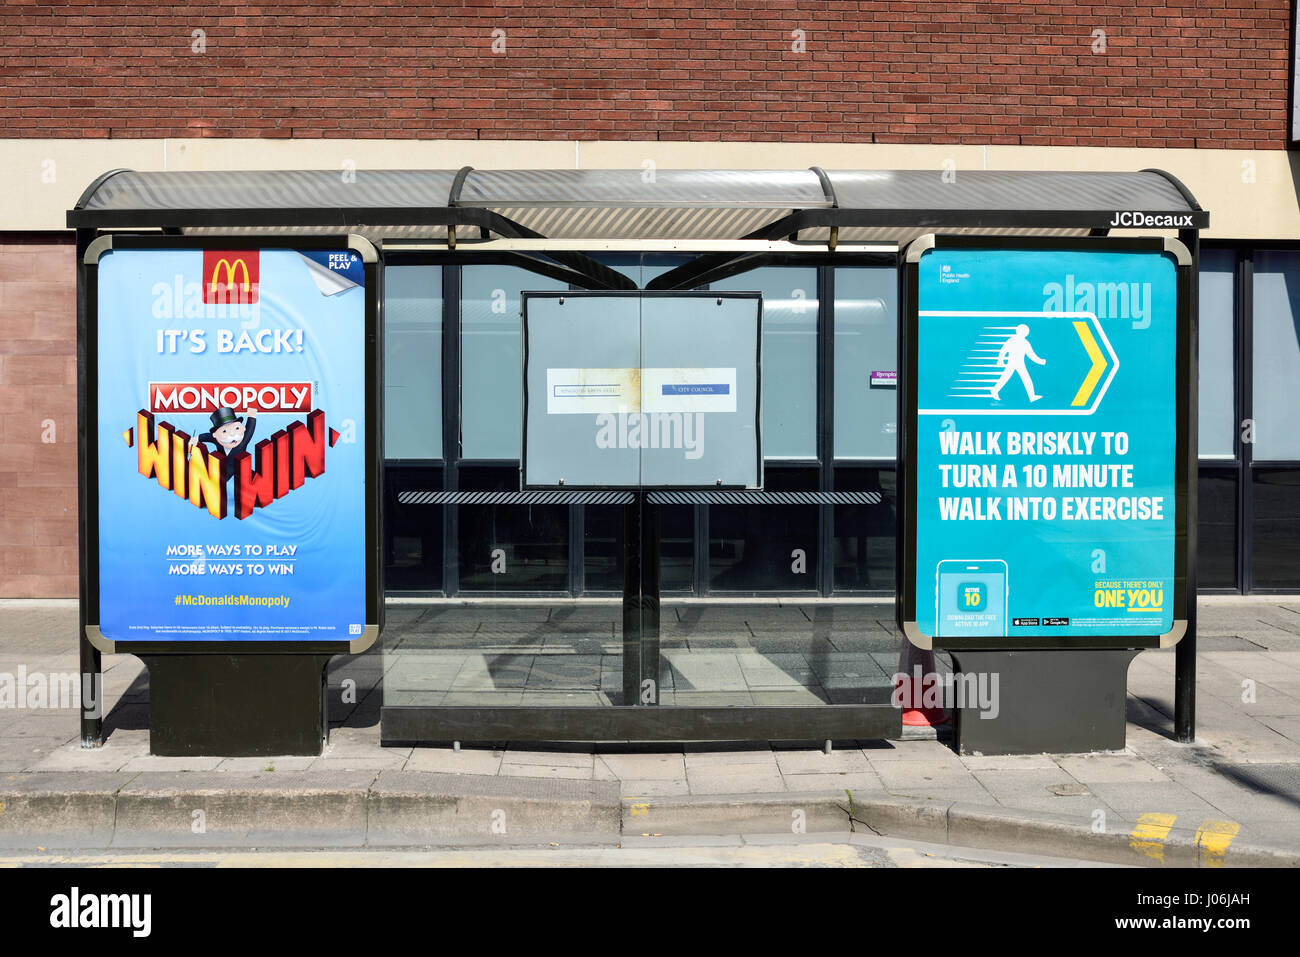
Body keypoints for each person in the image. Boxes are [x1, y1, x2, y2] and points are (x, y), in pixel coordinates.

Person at [189, 406, 257, 482]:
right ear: (215, 435)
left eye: (237, 428)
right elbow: (207, 436)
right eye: (224, 431)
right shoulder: (218, 440)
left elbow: (250, 429)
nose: (232, 434)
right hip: (222, 470)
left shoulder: (243, 441)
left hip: (241, 468)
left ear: (243, 428)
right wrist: (196, 438)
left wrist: (252, 416)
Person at [991, 324, 1045, 402]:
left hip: (1018, 363)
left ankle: (1032, 396)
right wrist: (1000, 359)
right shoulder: (1018, 341)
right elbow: (1004, 350)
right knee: (1013, 378)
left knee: (1021, 379)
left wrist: (1041, 361)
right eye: (1025, 331)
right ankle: (1032, 396)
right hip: (1014, 363)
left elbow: (1031, 355)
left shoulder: (1020, 341)